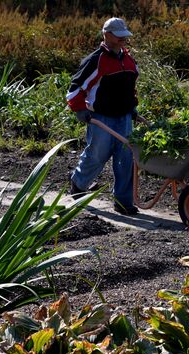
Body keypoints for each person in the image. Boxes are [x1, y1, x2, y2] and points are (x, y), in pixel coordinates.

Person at [66, 17, 148, 215]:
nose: (123, 40)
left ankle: (123, 202)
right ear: (107, 35)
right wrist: (80, 109)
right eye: (118, 36)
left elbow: (131, 88)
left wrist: (132, 108)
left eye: (124, 36)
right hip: (101, 117)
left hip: (124, 117)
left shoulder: (128, 60)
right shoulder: (96, 60)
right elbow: (75, 89)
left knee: (126, 157)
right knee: (97, 155)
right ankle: (78, 184)